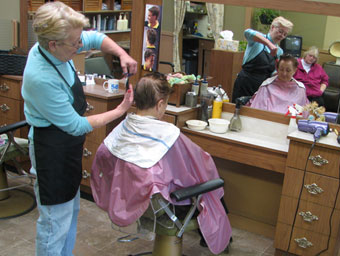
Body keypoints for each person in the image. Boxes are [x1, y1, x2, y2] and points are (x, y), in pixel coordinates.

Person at [21, 2, 137, 255]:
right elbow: (75, 125)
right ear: (53, 44)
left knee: (69, 212)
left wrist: (122, 54)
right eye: (74, 44)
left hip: (66, 146)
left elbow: (95, 37)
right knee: (54, 221)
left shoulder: (57, 45)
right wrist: (120, 110)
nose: (80, 46)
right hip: (50, 149)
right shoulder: (41, 78)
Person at [90, 73, 232, 255]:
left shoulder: (123, 128)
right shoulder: (169, 134)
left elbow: (103, 160)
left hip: (136, 202)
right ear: (160, 104)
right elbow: (203, 167)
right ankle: (219, 239)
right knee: (213, 187)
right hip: (166, 208)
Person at [231, 16, 293, 102]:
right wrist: (269, 44)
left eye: (285, 34)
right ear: (272, 27)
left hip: (261, 88)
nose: (281, 35)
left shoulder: (279, 51)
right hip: (245, 83)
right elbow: (247, 32)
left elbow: (272, 72)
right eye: (280, 31)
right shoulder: (257, 40)